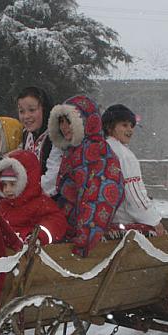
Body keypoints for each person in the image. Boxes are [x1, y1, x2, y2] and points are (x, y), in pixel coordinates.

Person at [48, 94, 124, 256]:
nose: (64, 127)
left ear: (85, 121)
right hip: (67, 233)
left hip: (83, 239)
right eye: (61, 121)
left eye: (69, 121)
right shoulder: (72, 151)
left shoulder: (98, 153)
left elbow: (98, 198)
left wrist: (83, 240)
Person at [101, 104, 166, 237]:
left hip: (100, 221)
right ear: (109, 127)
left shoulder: (99, 149)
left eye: (131, 126)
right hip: (120, 223)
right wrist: (154, 221)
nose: (130, 130)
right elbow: (135, 196)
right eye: (124, 125)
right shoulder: (124, 155)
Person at [0, 149, 67, 245]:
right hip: (7, 250)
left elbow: (56, 223)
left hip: (29, 249)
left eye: (13, 184)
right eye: (4, 185)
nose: (7, 189)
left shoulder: (41, 204)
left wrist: (38, 237)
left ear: (27, 182)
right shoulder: (3, 206)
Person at [17, 86, 63, 197]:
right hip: (27, 196)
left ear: (44, 109)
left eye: (32, 110)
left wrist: (28, 193)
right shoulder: (26, 134)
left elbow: (53, 178)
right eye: (21, 111)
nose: (26, 116)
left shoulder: (55, 137)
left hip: (50, 199)